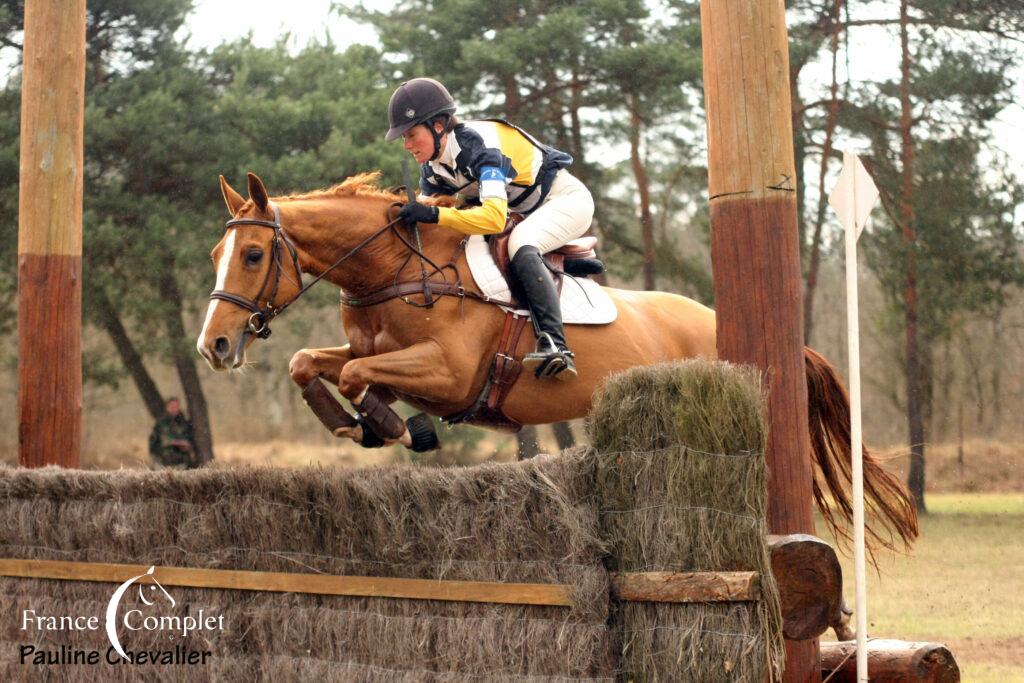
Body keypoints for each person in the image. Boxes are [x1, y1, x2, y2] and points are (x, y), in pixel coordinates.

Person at [385, 77, 595, 381]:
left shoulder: (478, 147)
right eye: (404, 137)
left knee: (521, 245)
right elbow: (432, 212)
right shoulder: (433, 167)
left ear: (439, 126)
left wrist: (432, 215)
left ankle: (555, 345)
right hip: (524, 211)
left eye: (411, 134)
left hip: (564, 200)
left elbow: (494, 219)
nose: (406, 145)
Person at [148, 397, 199, 469]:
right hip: (163, 462)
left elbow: (191, 440)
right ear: (167, 407)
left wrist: (187, 445)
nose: (174, 409)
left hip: (182, 463)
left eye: (176, 406)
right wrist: (175, 443)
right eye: (172, 406)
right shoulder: (160, 423)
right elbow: (155, 443)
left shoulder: (184, 423)